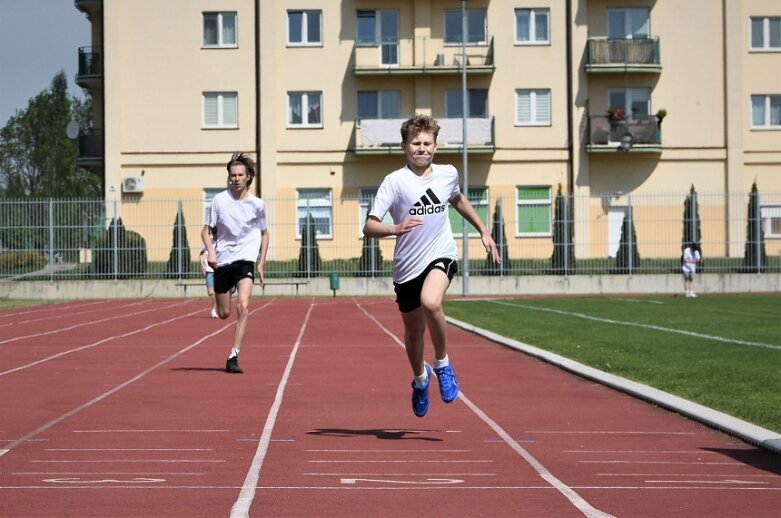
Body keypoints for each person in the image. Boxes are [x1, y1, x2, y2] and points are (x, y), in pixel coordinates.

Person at [363, 114, 500, 418]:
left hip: (441, 253)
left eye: (427, 143)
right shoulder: (394, 182)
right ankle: (420, 379)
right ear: (404, 146)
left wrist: (484, 230)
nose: (421, 148)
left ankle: (443, 365)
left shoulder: (447, 174)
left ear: (436, 146)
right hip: (406, 267)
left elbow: (458, 200)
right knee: (413, 336)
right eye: (416, 143)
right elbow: (369, 226)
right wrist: (394, 228)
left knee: (431, 301)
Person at [201, 153, 269, 374]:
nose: (237, 178)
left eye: (241, 175)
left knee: (244, 306)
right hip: (223, 260)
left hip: (245, 260)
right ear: (229, 177)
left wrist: (261, 262)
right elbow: (206, 231)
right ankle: (226, 288)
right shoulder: (219, 201)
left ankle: (233, 356)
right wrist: (211, 251)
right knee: (224, 314)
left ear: (248, 177)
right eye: (233, 175)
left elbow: (264, 234)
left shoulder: (257, 205)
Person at [199, 241, 218, 319]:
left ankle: (213, 310)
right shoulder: (207, 242)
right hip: (209, 271)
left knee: (216, 292)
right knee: (210, 293)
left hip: (218, 270)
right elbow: (200, 254)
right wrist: (202, 266)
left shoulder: (221, 241)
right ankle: (216, 305)